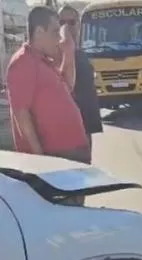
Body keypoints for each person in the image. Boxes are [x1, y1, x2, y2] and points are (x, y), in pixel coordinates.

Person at [7, 7, 90, 166]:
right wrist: (41, 159)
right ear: (39, 32)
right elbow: (21, 114)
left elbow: (69, 86)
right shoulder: (23, 63)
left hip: (70, 153)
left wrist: (69, 52)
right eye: (55, 32)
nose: (59, 38)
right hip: (55, 158)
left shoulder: (44, 62)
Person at [58, 6, 102, 164]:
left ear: (78, 25)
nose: (66, 27)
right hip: (68, 128)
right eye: (61, 22)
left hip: (85, 125)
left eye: (71, 22)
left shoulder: (82, 53)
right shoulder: (56, 55)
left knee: (85, 170)